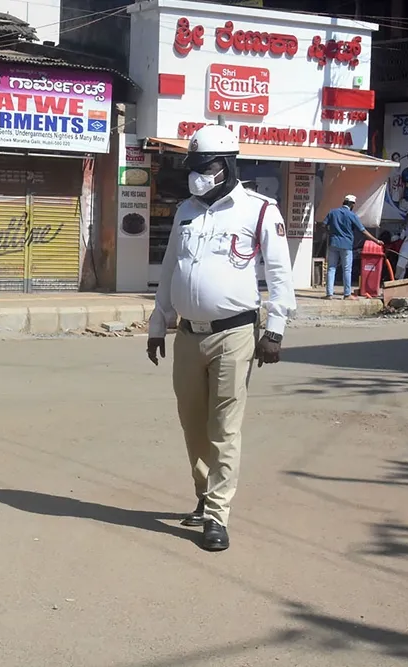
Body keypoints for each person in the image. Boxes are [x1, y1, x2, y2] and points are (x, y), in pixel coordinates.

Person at [145, 123, 296, 553]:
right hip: (189, 336)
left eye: (205, 166)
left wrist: (276, 329)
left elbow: (280, 275)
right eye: (193, 167)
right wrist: (159, 323)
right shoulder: (186, 211)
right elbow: (171, 267)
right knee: (192, 423)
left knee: (223, 427)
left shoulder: (260, 210)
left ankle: (217, 515)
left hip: (236, 334)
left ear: (228, 165)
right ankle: (203, 492)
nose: (197, 175)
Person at [324, 194, 383, 299]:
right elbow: (363, 231)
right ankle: (347, 294)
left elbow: (324, 225)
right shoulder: (352, 215)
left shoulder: (332, 212)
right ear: (351, 204)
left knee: (331, 268)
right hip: (346, 245)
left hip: (333, 243)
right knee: (346, 270)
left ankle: (329, 294)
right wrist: (376, 240)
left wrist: (331, 233)